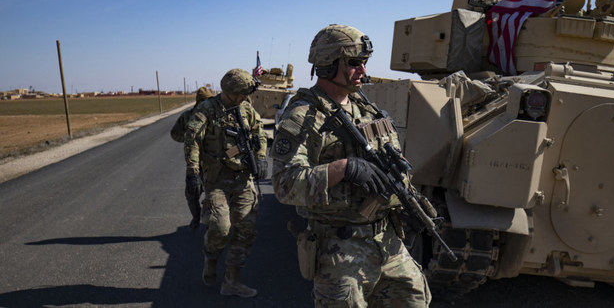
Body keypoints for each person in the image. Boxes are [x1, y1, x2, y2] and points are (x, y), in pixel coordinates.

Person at [270, 24, 431, 307]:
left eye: (364, 62)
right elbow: (284, 184)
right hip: (340, 248)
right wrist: (343, 168)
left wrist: (411, 197)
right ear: (328, 64)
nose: (363, 70)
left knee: (416, 299)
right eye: (354, 63)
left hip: (389, 242)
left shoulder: (365, 109)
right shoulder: (303, 117)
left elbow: (392, 161)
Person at [183, 68, 268, 298]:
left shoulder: (246, 109)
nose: (245, 98)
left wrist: (260, 156)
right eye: (242, 93)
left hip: (242, 180)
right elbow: (192, 142)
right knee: (221, 228)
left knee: (246, 230)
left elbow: (259, 132)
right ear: (231, 92)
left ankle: (232, 280)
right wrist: (193, 172)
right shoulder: (207, 110)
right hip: (217, 180)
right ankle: (210, 258)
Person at [171, 86, 216, 230]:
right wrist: (190, 137)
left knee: (214, 194)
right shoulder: (187, 116)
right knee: (192, 194)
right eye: (204, 101)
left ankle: (213, 221)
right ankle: (196, 217)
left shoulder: (216, 115)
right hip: (195, 163)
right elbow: (174, 133)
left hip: (214, 162)